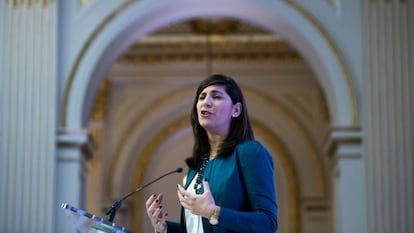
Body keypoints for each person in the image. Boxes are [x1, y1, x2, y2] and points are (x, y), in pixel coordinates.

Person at [146, 74, 278, 233]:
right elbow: (198, 228)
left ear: (236, 110)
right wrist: (165, 229)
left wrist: (213, 212)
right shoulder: (198, 165)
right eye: (201, 97)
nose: (206, 102)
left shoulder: (250, 152)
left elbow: (268, 223)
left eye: (216, 96)